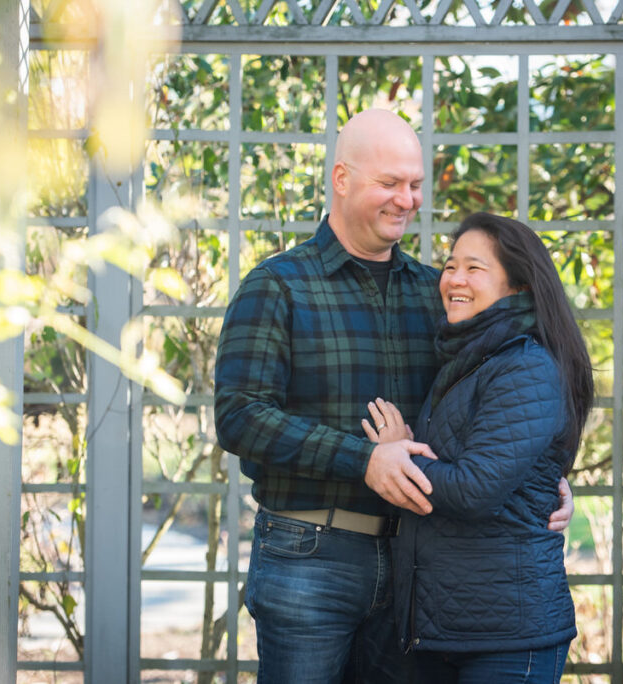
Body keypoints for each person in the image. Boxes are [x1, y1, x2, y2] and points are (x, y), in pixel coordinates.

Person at [214, 109, 572, 684]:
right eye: (389, 183)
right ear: (341, 179)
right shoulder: (277, 285)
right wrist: (365, 460)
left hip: (421, 565)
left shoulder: (436, 291)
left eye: (414, 185)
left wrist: (538, 480)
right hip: (310, 555)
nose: (406, 200)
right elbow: (240, 417)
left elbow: (492, 408)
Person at [363, 212, 594, 684]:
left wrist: (397, 455)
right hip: (451, 629)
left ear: (519, 288)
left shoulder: (524, 367)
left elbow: (475, 487)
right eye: (450, 266)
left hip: (509, 637)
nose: (455, 279)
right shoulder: (468, 359)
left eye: (474, 268)